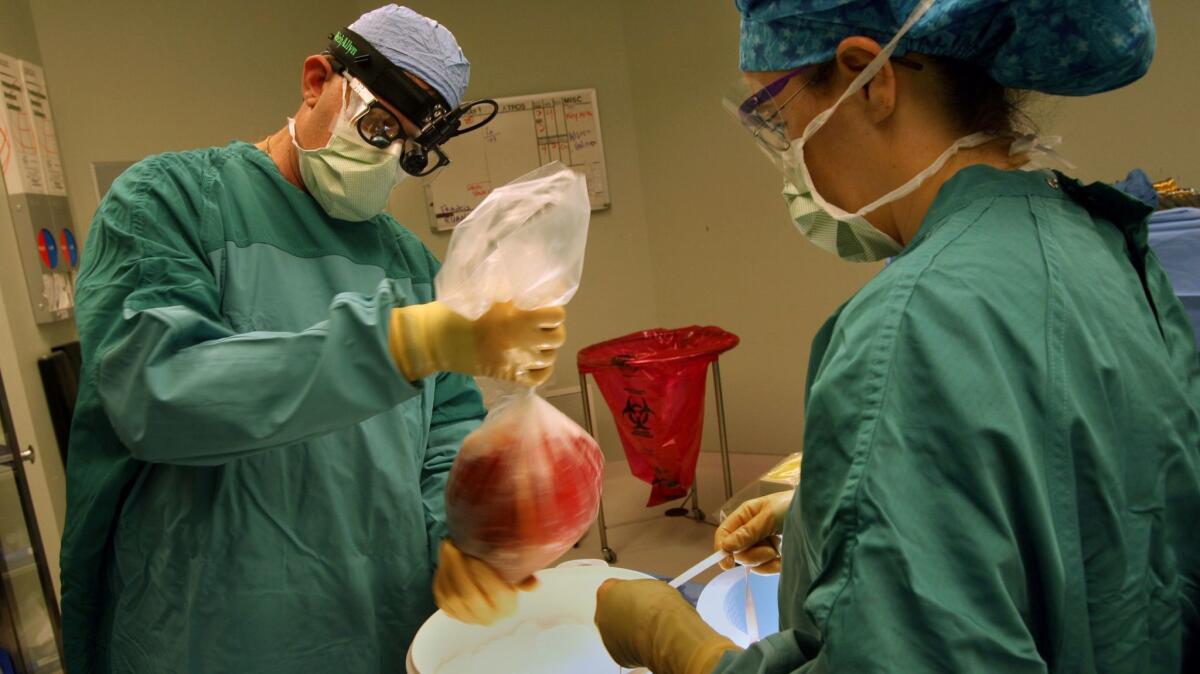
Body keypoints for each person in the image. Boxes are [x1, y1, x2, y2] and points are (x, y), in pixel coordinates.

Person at [594, 1, 1200, 673]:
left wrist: (683, 647)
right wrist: (829, 519)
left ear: (869, 77)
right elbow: (1089, 506)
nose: (786, 149)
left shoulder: (908, 327)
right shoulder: (1103, 242)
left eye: (773, 112)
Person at [60, 5, 566, 672]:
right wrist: (399, 346)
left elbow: (445, 434)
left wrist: (458, 538)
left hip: (378, 624)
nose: (385, 156)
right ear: (316, 79)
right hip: (209, 634)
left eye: (407, 149)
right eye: (378, 125)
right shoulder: (169, 202)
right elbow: (159, 396)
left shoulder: (409, 263)